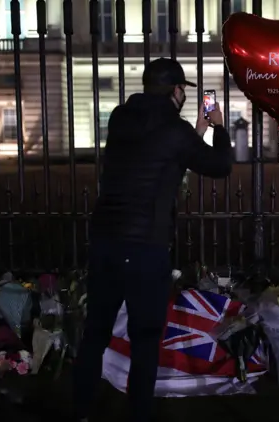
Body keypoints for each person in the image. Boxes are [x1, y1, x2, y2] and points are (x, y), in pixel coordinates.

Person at [72, 57, 232, 422]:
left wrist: (193, 130)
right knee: (145, 340)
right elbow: (219, 165)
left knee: (94, 333)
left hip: (105, 242)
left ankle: (81, 411)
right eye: (183, 91)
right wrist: (217, 128)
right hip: (145, 247)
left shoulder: (118, 119)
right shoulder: (175, 130)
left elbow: (159, 153)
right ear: (177, 91)